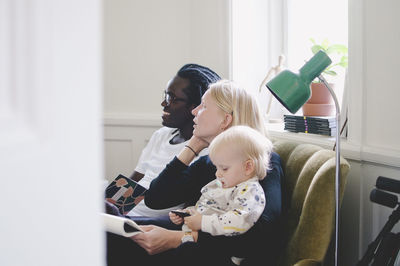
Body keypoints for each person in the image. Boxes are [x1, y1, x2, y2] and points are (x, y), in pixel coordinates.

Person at [107, 80, 283, 266]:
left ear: (225, 120)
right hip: (189, 237)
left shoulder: (262, 162)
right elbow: (156, 198)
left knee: (110, 238)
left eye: (204, 106)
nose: (194, 111)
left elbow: (261, 234)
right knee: (111, 228)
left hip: (208, 253)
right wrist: (194, 144)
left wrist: (179, 238)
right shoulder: (210, 163)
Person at [121, 63, 220, 218]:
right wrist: (109, 207)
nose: (164, 104)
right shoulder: (161, 135)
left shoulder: (207, 151)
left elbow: (189, 210)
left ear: (196, 107)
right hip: (123, 213)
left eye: (172, 98)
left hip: (147, 222)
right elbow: (132, 182)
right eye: (166, 96)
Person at [169, 125, 273, 239]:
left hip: (213, 247)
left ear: (248, 167)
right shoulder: (224, 184)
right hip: (191, 236)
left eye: (224, 168)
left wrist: (202, 222)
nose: (217, 174)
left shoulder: (250, 191)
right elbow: (209, 207)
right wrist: (188, 213)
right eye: (217, 168)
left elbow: (239, 220)